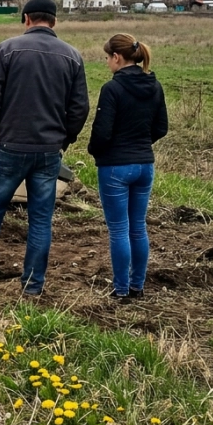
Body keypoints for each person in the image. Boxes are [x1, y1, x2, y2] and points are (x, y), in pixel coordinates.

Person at [0, 0, 89, 296]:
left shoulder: (8, 49)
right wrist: (63, 140)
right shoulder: (72, 56)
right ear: (54, 21)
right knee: (40, 219)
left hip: (10, 146)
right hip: (48, 151)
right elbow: (80, 108)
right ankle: (33, 284)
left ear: (26, 18)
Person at [87, 33, 169, 303]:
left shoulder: (112, 89)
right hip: (145, 165)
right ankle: (137, 286)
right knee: (138, 227)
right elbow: (161, 127)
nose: (106, 63)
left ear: (117, 57)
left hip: (115, 167)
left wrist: (95, 151)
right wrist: (141, 144)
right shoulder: (155, 86)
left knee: (119, 230)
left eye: (107, 58)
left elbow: (102, 133)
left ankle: (121, 290)